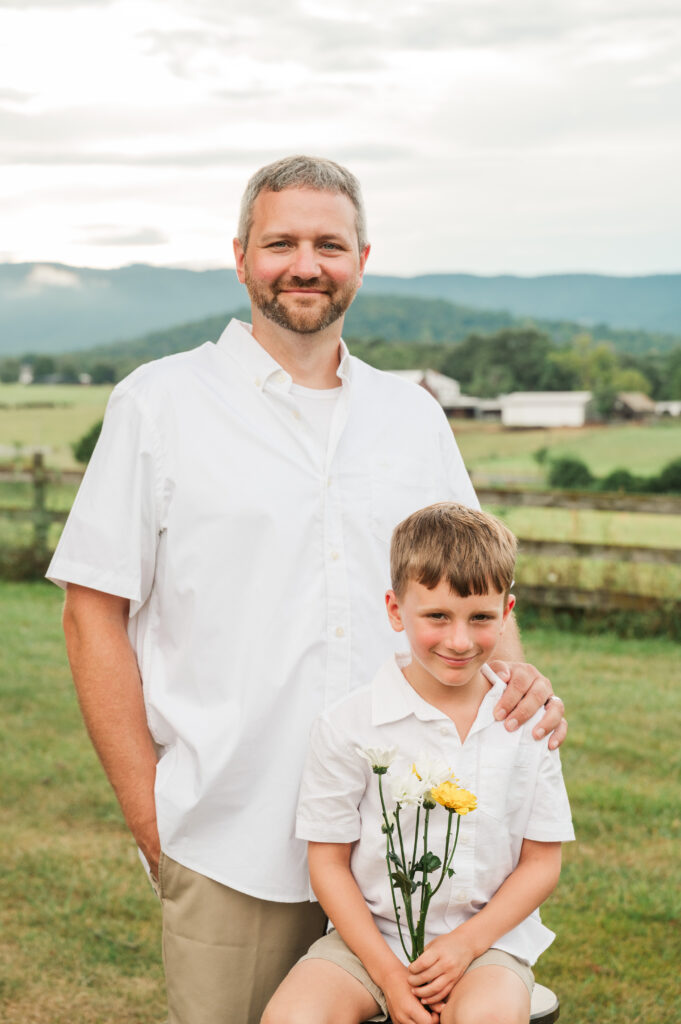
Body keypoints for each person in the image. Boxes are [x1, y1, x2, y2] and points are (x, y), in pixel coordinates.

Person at [47, 155, 567, 1024]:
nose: (305, 263)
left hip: (418, 838)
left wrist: (517, 689)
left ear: (362, 258)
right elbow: (90, 612)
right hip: (230, 831)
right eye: (281, 241)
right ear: (241, 255)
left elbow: (476, 592)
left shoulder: (412, 417)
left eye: (329, 243)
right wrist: (154, 819)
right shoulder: (159, 403)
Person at [264, 502, 574, 1024]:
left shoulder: (526, 722)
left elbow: (542, 863)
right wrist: (387, 973)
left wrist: (463, 946)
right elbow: (328, 864)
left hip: (486, 947)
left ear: (507, 611)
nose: (459, 640)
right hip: (368, 945)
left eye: (481, 618)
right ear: (394, 609)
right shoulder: (348, 726)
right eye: (437, 616)